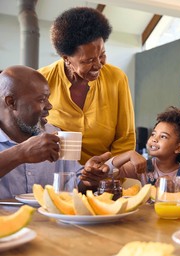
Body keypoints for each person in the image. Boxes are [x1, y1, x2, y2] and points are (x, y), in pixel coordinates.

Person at [38, 7, 136, 165]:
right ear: (67, 59)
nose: (98, 65)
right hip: (57, 176)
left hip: (104, 177)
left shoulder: (116, 78)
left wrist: (107, 172)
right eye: (88, 60)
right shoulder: (42, 80)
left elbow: (125, 138)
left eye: (102, 55)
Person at [0, 65, 110, 199]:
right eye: (41, 99)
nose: (49, 106)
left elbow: (73, 186)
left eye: (48, 98)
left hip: (49, 219)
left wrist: (88, 180)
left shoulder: (54, 134)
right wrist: (21, 153)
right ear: (11, 102)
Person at [105, 106, 180, 188]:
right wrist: (128, 154)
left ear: (179, 147)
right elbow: (106, 172)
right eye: (153, 134)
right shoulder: (141, 167)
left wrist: (174, 189)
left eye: (163, 136)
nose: (154, 139)